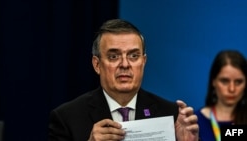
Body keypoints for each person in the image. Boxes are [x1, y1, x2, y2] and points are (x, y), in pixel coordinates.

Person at [48, 19, 199, 141]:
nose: (125, 64)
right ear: (97, 64)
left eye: (133, 56)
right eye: (114, 56)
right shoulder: (67, 118)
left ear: (143, 62)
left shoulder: (171, 115)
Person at [195, 50, 247, 141]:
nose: (232, 89)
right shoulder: (195, 122)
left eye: (238, 82)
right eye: (225, 81)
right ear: (213, 81)